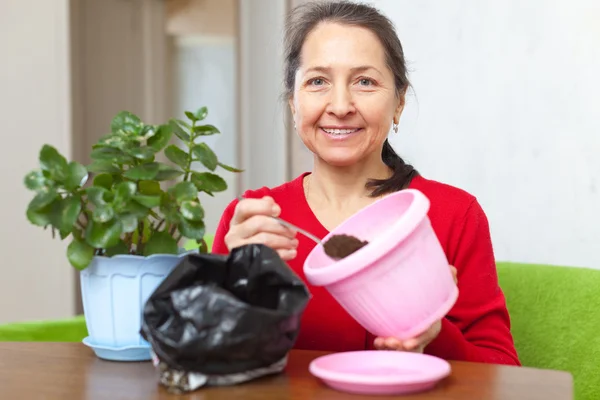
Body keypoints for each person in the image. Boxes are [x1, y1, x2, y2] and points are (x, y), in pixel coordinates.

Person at [212, 1, 520, 366]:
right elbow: (201, 362)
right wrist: (232, 287)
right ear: (294, 103)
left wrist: (433, 333)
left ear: (399, 102)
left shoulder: (454, 215)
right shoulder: (253, 221)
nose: (340, 105)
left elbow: (503, 375)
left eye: (365, 81)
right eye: (317, 81)